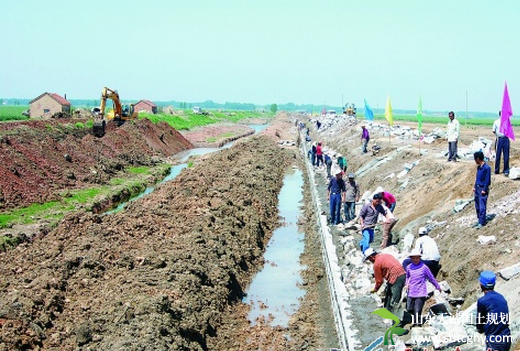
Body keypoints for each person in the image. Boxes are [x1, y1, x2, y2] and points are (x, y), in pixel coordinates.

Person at [403, 249, 441, 327]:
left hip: (421, 292)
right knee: (409, 308)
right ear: (411, 258)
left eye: (417, 258)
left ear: (420, 258)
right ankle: (418, 319)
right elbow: (407, 277)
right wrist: (406, 284)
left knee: (417, 310)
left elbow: (431, 278)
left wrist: (437, 286)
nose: (415, 260)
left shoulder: (424, 267)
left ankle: (417, 325)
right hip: (411, 292)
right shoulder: (409, 267)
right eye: (414, 258)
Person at [476, 271, 512, 351]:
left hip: (494, 341)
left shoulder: (482, 301)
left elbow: (479, 325)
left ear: (481, 285)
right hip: (506, 339)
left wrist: (481, 329)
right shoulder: (502, 298)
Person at [364, 248, 406, 314]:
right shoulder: (387, 255)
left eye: (369, 259)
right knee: (388, 296)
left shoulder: (377, 264)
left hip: (396, 278)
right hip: (403, 274)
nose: (370, 261)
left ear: (371, 257)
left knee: (395, 300)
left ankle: (396, 321)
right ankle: (387, 311)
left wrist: (375, 289)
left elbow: (379, 281)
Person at [473, 151, 491, 229]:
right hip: (477, 188)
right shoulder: (479, 167)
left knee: (482, 206)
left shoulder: (487, 168)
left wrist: (484, 189)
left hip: (482, 189)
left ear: (478, 159)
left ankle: (482, 222)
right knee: (477, 205)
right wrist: (474, 186)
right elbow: (477, 178)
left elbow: (487, 180)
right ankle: (479, 220)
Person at [492, 111, 510, 176]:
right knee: (498, 155)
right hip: (499, 139)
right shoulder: (496, 122)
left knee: (506, 155)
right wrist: (498, 135)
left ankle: (506, 170)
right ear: (500, 115)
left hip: (506, 139)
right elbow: (493, 130)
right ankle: (496, 170)